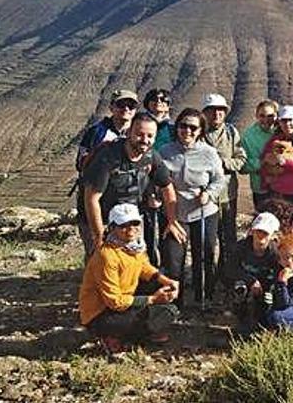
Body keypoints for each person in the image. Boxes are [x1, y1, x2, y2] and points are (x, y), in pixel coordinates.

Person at [80, 113, 185, 263]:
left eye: (150, 136)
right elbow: (91, 199)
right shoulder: (107, 157)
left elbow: (167, 187)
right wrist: (99, 236)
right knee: (102, 263)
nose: (145, 140)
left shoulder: (152, 156)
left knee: (132, 262)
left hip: (129, 217)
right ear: (129, 132)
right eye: (139, 134)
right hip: (101, 217)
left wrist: (172, 220)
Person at [78, 203, 179, 353]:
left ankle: (137, 332)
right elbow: (114, 302)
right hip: (101, 313)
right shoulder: (107, 256)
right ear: (112, 228)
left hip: (124, 300)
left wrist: (168, 282)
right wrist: (152, 299)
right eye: (123, 225)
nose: (131, 229)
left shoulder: (134, 247)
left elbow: (144, 268)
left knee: (163, 291)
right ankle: (112, 335)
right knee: (167, 312)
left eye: (135, 223)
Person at [159, 108, 226, 310]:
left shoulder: (209, 153)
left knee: (204, 255)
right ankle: (174, 304)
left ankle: (203, 297)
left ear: (200, 131)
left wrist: (210, 194)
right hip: (174, 215)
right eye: (182, 126)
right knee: (173, 260)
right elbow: (157, 180)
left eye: (192, 127)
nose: (187, 130)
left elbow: (219, 179)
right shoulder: (165, 152)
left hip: (204, 212)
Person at [75, 89, 139, 262]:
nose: (126, 109)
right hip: (96, 203)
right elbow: (80, 164)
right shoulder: (96, 132)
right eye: (121, 104)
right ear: (111, 107)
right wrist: (101, 150)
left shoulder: (139, 134)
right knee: (97, 252)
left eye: (131, 105)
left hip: (124, 208)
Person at [202, 94, 247, 292]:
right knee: (208, 239)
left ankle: (228, 274)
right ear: (205, 113)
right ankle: (207, 277)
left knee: (229, 238)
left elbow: (241, 158)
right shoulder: (198, 132)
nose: (217, 113)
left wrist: (223, 164)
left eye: (221, 110)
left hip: (228, 194)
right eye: (212, 110)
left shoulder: (231, 132)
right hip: (205, 196)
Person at [227, 213, 281, 332]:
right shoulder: (241, 247)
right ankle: (240, 318)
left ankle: (264, 324)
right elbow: (230, 269)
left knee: (269, 299)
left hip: (266, 285)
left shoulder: (276, 254)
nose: (261, 236)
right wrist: (250, 281)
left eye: (265, 233)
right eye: (258, 231)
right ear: (252, 231)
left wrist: (268, 288)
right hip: (245, 281)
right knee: (239, 289)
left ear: (273, 235)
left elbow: (278, 275)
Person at [141, 89, 177, 264]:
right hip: (146, 180)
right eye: (154, 99)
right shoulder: (141, 125)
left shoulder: (173, 129)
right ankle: (149, 266)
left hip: (167, 181)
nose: (159, 102)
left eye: (164, 100)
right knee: (147, 227)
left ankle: (168, 266)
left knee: (167, 223)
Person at [241, 100, 279, 212]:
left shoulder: (282, 131)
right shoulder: (248, 136)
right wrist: (262, 162)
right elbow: (243, 166)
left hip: (282, 186)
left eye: (271, 116)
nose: (266, 120)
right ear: (256, 116)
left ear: (276, 116)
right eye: (262, 116)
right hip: (260, 188)